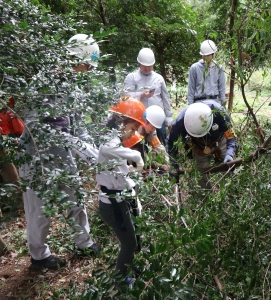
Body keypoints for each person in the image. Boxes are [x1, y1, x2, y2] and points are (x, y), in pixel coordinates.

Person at [18, 34, 100, 270]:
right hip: (36, 159)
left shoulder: (72, 88)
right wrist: (71, 141)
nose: (86, 71)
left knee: (76, 198)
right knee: (38, 209)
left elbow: (78, 125)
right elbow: (34, 125)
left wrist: (92, 150)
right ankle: (39, 256)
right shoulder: (43, 81)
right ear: (73, 58)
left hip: (63, 155)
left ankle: (84, 242)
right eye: (86, 65)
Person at [97, 98, 165, 285]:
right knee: (130, 243)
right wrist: (135, 156)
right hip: (113, 204)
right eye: (135, 127)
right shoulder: (109, 142)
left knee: (135, 235)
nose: (135, 133)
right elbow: (107, 149)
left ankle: (130, 266)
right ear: (123, 122)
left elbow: (122, 167)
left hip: (123, 199)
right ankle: (120, 280)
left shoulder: (117, 140)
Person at [168, 100, 237, 190]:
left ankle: (232, 191)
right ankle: (207, 199)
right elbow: (171, 143)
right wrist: (174, 166)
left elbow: (231, 136)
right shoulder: (180, 122)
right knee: (201, 175)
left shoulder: (219, 112)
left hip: (220, 140)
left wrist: (230, 153)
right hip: (198, 146)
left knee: (230, 166)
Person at [123, 48, 173, 146]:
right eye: (144, 66)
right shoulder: (131, 78)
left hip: (158, 118)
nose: (147, 68)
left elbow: (165, 97)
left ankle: (162, 160)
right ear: (139, 63)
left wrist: (169, 116)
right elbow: (126, 97)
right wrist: (141, 95)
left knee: (160, 142)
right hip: (139, 119)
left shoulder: (159, 78)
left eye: (149, 66)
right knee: (140, 144)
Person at [187, 40, 226, 106]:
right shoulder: (195, 68)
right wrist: (190, 106)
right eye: (203, 55)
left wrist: (223, 105)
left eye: (208, 55)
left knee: (225, 116)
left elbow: (222, 88)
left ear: (213, 54)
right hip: (198, 102)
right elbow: (191, 89)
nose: (205, 57)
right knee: (182, 116)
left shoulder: (219, 68)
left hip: (214, 102)